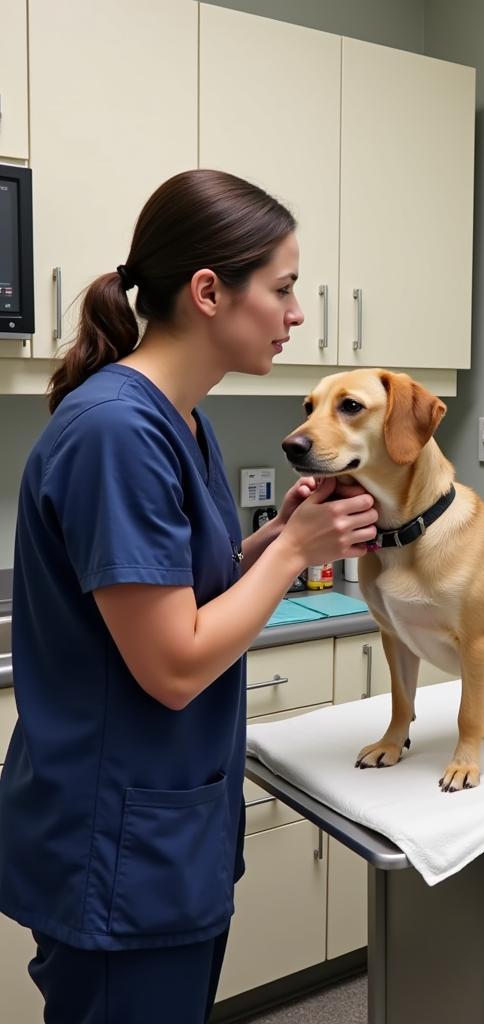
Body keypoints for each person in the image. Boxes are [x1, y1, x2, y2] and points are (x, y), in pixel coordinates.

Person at [0, 169, 379, 1023]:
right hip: (116, 845)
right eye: (283, 288)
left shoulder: (183, 419)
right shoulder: (118, 432)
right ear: (209, 291)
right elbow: (172, 664)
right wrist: (292, 559)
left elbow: (186, 587)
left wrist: (271, 540)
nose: (297, 313)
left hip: (167, 834)